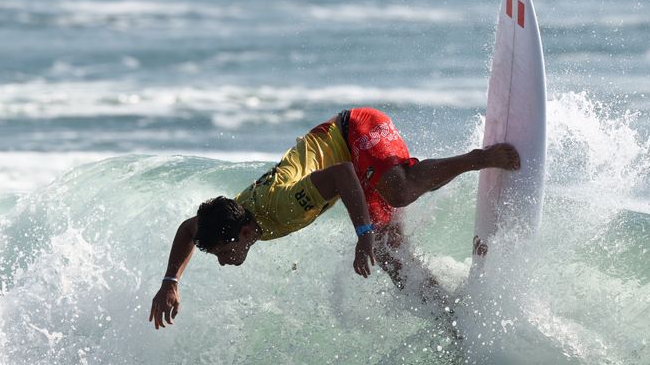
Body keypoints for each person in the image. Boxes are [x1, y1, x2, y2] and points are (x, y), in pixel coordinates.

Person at [149, 107, 519, 330]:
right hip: (353, 169)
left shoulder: (282, 205)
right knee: (394, 260)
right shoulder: (232, 215)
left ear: (245, 232)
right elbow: (189, 228)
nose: (223, 261)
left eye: (223, 252)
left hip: (353, 131)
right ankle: (453, 322)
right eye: (217, 255)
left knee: (399, 192)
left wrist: (363, 234)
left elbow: (343, 173)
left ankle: (480, 157)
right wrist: (170, 282)